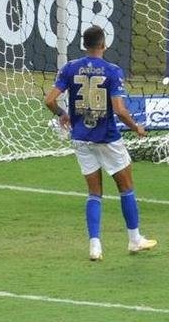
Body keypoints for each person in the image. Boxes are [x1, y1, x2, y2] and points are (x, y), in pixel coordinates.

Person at [44, 26, 159, 261]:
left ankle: (95, 246)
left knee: (94, 192)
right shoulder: (112, 71)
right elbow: (119, 109)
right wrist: (136, 127)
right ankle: (135, 239)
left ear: (84, 45)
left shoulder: (70, 68)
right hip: (107, 138)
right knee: (126, 188)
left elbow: (49, 100)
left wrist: (62, 114)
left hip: (80, 138)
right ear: (104, 45)